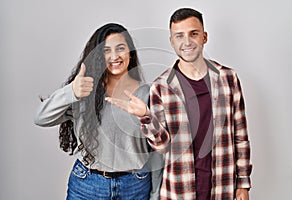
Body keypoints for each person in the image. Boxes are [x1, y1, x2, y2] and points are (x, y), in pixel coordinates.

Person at [106, 8, 252, 200]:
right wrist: (145, 117)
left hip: (222, 186)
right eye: (179, 36)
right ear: (172, 41)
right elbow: (162, 147)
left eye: (193, 33)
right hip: (179, 189)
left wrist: (243, 183)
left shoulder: (228, 78)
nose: (187, 42)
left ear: (204, 37)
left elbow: (240, 136)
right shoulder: (161, 86)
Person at [34, 23, 162, 200]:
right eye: (106, 50)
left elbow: (156, 150)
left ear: (130, 52)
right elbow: (41, 118)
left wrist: (155, 193)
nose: (114, 56)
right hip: (87, 185)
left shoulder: (147, 94)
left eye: (120, 48)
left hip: (135, 186)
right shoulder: (83, 92)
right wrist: (71, 92)